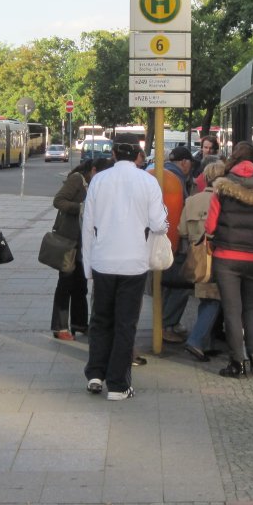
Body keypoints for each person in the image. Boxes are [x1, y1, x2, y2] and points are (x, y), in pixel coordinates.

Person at [82, 142, 168, 401]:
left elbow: (88, 224)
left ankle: (95, 373)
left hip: (103, 260)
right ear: (139, 157)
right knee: (125, 323)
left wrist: (88, 266)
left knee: (100, 319)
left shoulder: (99, 180)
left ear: (114, 155)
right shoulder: (148, 181)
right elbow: (158, 224)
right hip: (133, 262)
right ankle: (118, 385)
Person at [205, 141, 253, 377]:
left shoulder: (223, 187)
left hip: (226, 258)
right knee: (252, 308)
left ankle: (236, 362)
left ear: (235, 160)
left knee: (232, 310)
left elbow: (210, 225)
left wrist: (210, 240)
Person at [179, 156, 225, 361]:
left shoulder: (191, 201)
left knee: (205, 299)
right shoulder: (224, 201)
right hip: (218, 256)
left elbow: (182, 230)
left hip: (197, 257)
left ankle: (206, 343)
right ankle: (196, 341)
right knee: (213, 300)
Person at [148, 145, 194, 342]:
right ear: (184, 162)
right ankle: (167, 326)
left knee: (165, 285)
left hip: (151, 241)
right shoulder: (175, 180)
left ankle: (166, 325)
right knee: (179, 283)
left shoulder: (154, 173)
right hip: (171, 243)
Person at [50, 159, 95, 340]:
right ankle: (59, 327)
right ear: (93, 170)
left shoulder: (89, 182)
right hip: (69, 240)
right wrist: (82, 208)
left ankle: (79, 323)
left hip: (80, 242)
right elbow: (58, 200)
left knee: (80, 284)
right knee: (66, 284)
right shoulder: (77, 179)